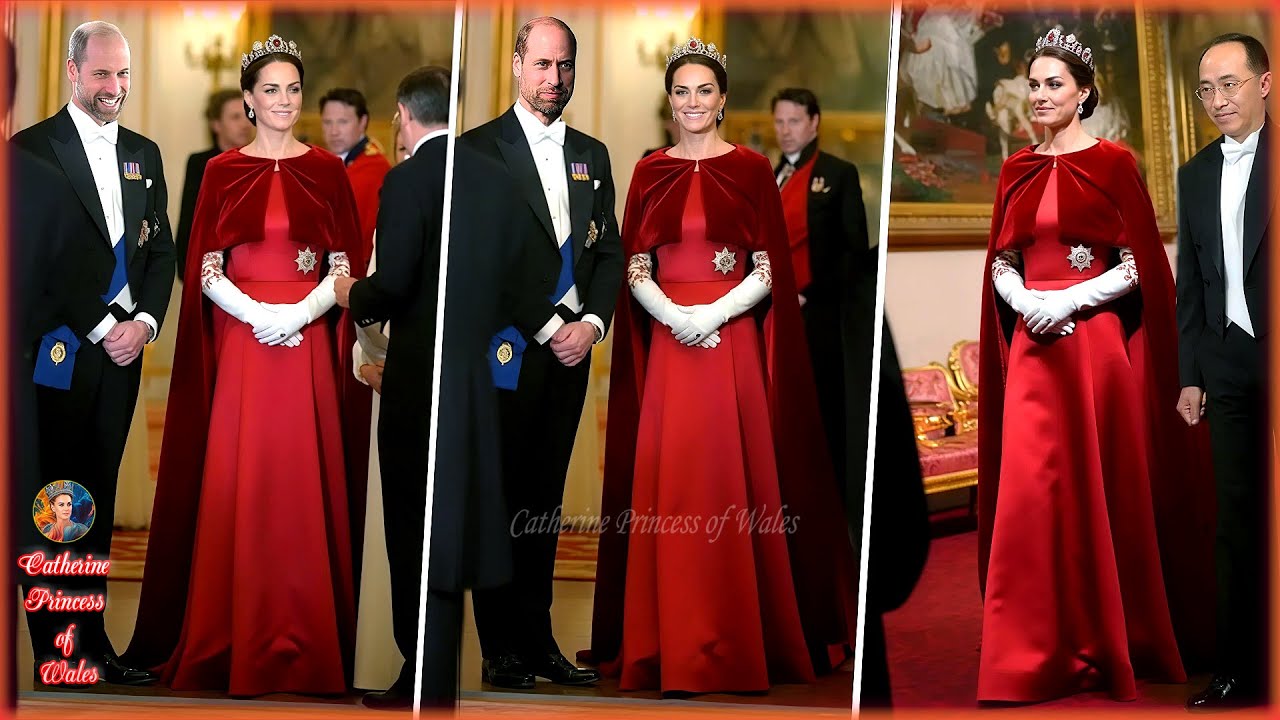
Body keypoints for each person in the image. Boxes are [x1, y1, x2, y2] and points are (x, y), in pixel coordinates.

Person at [588, 37, 858, 695]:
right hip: (670, 348)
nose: (692, 102)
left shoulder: (751, 169)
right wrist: (673, 315)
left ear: (723, 99)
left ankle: (739, 639)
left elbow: (769, 264)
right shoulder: (650, 170)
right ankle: (665, 641)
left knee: (732, 484)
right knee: (672, 486)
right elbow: (635, 265)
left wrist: (711, 316)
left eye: (703, 91)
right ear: (670, 100)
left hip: (728, 342)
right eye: (681, 91)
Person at [976, 28, 1215, 703]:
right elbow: (1001, 259)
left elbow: (1140, 263)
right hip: (1034, 347)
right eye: (1035, 84)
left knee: (1104, 488)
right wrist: (1025, 297)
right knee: (1032, 494)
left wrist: (1073, 297)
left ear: (1083, 93)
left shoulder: (1115, 162)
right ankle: (1030, 646)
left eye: (1055, 84)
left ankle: (1116, 637)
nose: (1041, 95)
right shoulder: (1014, 167)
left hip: (1096, 346)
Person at [120, 34, 362, 697]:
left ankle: (303, 640)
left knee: (297, 485)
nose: (283, 101)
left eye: (292, 90)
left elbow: (344, 263)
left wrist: (297, 314)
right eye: (270, 91)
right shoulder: (222, 171)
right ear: (248, 101)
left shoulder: (326, 170)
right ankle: (233, 634)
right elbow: (204, 265)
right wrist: (256, 314)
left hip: (304, 341)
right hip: (243, 342)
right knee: (244, 480)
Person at [459, 16, 622, 689]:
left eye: (565, 67)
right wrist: (552, 323)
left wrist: (591, 324)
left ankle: (540, 640)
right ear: (518, 65)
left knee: (544, 506)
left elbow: (607, 251)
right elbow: (481, 261)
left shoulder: (592, 152)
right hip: (508, 353)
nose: (554, 80)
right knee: (497, 502)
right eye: (543, 65)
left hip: (571, 356)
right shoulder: (478, 150)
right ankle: (501, 649)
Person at [11, 20, 176, 688]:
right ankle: (58, 651)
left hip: (122, 356)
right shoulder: (31, 151)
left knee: (99, 501)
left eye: (124, 74)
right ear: (73, 73)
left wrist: (142, 322)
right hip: (60, 352)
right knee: (56, 502)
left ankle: (91, 644)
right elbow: (33, 261)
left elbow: (160, 250)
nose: (115, 87)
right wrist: (102, 322)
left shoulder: (144, 152)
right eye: (103, 74)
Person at [1177, 33, 1271, 711]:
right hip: (1226, 362)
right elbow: (1191, 285)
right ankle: (1239, 671)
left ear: (1264, 84)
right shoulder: (1194, 172)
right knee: (1234, 522)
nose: (1217, 101)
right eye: (1206, 89)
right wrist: (1192, 374)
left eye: (1230, 84)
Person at [771, 86, 874, 494]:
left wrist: (810, 294)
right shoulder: (769, 174)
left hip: (821, 315)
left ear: (814, 122)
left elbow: (853, 251)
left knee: (821, 408)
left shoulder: (838, 173)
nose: (786, 130)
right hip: (774, 312)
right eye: (779, 122)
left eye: (794, 121)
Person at [175, 88, 254, 275]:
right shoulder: (200, 163)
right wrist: (186, 267)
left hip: (252, 266)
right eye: (235, 117)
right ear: (216, 124)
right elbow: (189, 219)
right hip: (212, 268)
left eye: (247, 116)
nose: (244, 124)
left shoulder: (261, 161)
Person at [320, 87, 391, 270]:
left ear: (363, 122)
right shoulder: (324, 162)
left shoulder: (374, 168)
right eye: (327, 122)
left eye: (343, 122)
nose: (334, 131)